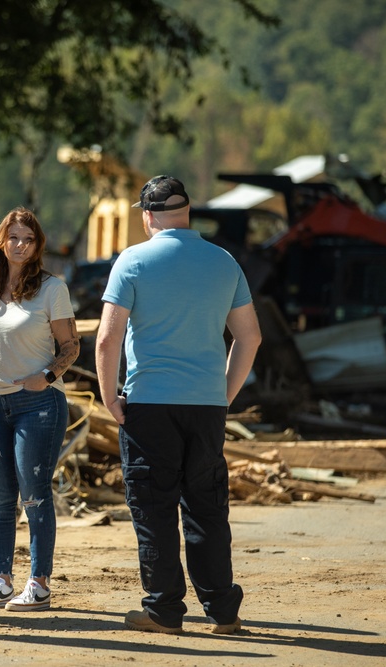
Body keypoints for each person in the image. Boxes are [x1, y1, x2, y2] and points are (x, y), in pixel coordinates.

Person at [95, 175, 261, 635]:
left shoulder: (133, 260)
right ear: (188, 212)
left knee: (154, 508)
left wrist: (109, 395)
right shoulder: (224, 262)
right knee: (206, 508)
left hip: (149, 403)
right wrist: (223, 395)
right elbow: (250, 337)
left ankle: (165, 611)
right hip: (207, 405)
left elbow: (108, 337)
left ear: (147, 215)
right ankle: (223, 612)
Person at [0, 207, 80, 612]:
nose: (19, 245)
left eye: (28, 239)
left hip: (37, 404)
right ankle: (0, 580)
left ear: (37, 246)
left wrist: (46, 377)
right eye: (13, 237)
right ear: (2, 240)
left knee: (33, 495)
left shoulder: (52, 288)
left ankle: (39, 583)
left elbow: (71, 346)